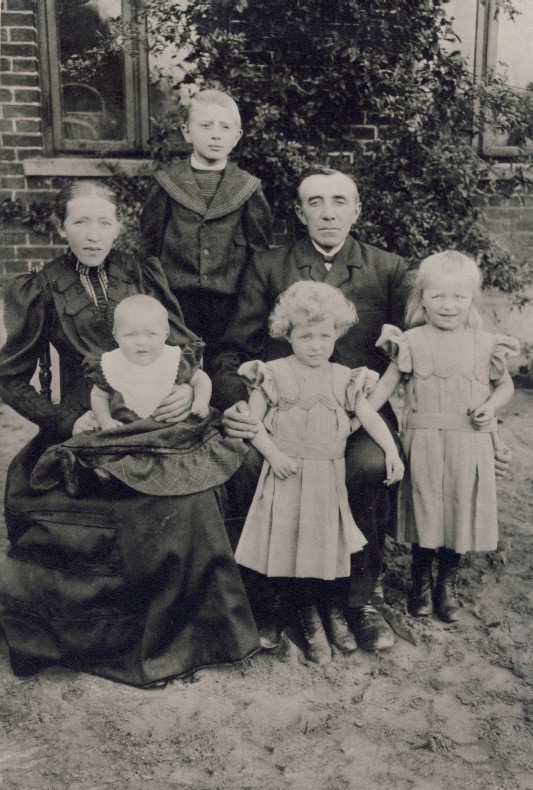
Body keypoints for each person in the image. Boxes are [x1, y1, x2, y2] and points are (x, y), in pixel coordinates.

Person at [0, 180, 259, 687]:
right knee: (142, 508)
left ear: (118, 227)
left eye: (104, 222)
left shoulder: (142, 273)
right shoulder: (42, 286)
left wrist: (185, 391)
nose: (93, 234)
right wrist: (63, 421)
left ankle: (201, 632)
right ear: (62, 228)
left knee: (212, 484)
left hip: (162, 416)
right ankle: (137, 641)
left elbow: (186, 346)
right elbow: (9, 377)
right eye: (80, 222)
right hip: (92, 427)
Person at [211, 166, 411, 653]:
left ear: (356, 210)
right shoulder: (268, 265)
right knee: (250, 462)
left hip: (357, 412)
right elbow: (231, 351)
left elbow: (415, 348)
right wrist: (239, 405)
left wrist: (388, 369)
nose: (328, 212)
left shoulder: (388, 268)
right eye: (315, 202)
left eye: (339, 201)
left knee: (368, 464)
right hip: (283, 413)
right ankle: (273, 596)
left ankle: (356, 599)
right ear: (300, 213)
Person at [235, 282, 404, 664]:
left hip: (327, 477)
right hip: (287, 475)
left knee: (325, 543)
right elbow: (252, 424)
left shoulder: (344, 377)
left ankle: (331, 611)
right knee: (289, 543)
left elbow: (369, 417)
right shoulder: (274, 374)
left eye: (324, 336)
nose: (315, 345)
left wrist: (392, 451)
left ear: (337, 333)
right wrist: (274, 455)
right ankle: (302, 614)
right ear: (287, 335)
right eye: (305, 336)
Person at [367, 251, 519, 623]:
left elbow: (505, 386)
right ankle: (420, 580)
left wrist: (491, 406)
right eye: (437, 296)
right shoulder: (411, 342)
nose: (448, 305)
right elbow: (383, 389)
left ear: (472, 299)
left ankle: (446, 583)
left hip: (470, 442)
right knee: (426, 508)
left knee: (459, 508)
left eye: (458, 297)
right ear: (422, 298)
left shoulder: (485, 343)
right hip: (424, 444)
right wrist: (355, 417)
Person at [30, 294, 247, 499]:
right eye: (131, 335)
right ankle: (94, 476)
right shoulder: (111, 364)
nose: (141, 342)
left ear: (166, 333)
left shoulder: (174, 360)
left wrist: (200, 401)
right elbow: (98, 395)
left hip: (167, 432)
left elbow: (201, 379)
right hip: (127, 433)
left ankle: (112, 479)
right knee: (109, 450)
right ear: (116, 335)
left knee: (179, 454)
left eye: (151, 334)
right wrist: (105, 420)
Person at [139, 88, 272, 369]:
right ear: (187, 132)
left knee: (225, 373)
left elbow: (259, 258)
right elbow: (149, 252)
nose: (215, 135)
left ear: (237, 136)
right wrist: (158, 302)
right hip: (176, 305)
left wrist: (248, 311)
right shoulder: (166, 184)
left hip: (230, 307)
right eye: (206, 125)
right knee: (179, 374)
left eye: (225, 127)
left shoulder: (248, 188)